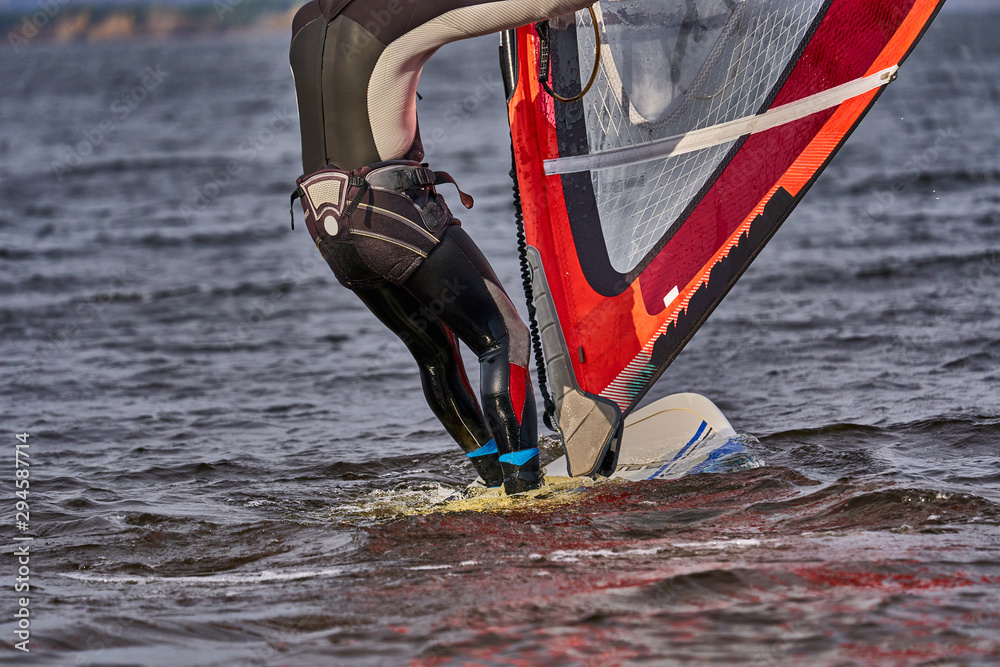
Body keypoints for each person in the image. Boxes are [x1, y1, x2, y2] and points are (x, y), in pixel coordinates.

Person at [288, 0, 595, 494]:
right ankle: (526, 492)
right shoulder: (388, 13)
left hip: (328, 226)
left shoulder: (302, 23)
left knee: (433, 352)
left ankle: (496, 483)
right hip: (389, 213)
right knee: (502, 339)